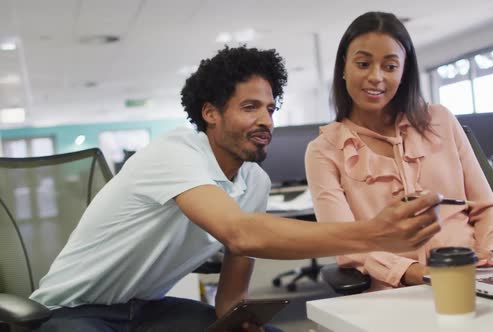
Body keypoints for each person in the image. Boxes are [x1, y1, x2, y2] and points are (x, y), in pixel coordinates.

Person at [30, 46, 443, 332]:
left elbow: (231, 294)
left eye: (270, 108)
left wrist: (237, 321)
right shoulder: (174, 153)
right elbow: (239, 233)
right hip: (71, 312)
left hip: (146, 313)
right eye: (250, 108)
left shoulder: (254, 183)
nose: (266, 120)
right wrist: (374, 233)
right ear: (210, 113)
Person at [305, 12, 493, 291]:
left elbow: (486, 207)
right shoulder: (324, 151)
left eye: (390, 66)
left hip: (474, 274)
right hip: (394, 289)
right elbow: (346, 244)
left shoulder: (440, 121)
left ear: (403, 72)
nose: (376, 77)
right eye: (363, 64)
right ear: (343, 67)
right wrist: (418, 273)